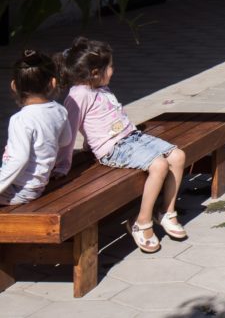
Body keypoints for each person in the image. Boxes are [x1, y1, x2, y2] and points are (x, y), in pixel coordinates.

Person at [57, 38, 189, 254]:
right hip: (113, 147)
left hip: (131, 138)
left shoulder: (101, 87)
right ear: (95, 72)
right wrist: (63, 164)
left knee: (178, 156)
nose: (113, 70)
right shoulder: (78, 96)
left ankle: (166, 211)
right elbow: (69, 132)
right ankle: (141, 222)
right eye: (110, 67)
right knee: (159, 166)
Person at [0, 51, 72, 206]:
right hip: (37, 184)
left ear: (14, 86)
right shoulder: (60, 111)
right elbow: (66, 140)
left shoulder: (21, 119)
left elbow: (18, 160)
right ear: (53, 83)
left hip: (19, 189)